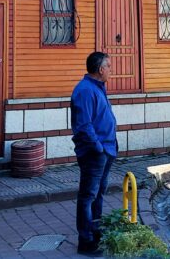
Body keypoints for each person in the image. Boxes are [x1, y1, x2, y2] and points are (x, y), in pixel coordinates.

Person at [71, 52, 118, 256]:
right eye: (108, 66)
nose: (111, 70)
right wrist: (98, 148)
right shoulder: (84, 90)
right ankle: (86, 240)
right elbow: (84, 125)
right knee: (88, 195)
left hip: (106, 150)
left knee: (98, 194)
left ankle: (95, 231)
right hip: (94, 153)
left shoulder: (98, 88)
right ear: (100, 69)